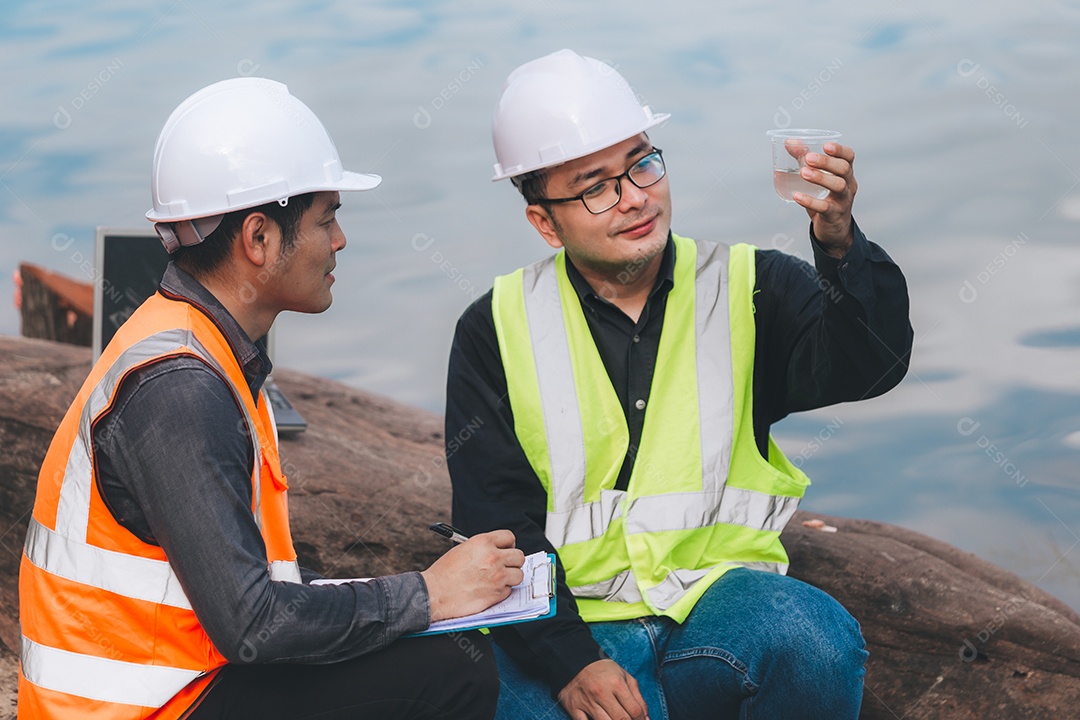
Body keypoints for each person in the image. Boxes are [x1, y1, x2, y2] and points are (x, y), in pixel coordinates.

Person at [18, 77, 525, 720]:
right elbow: (253, 626)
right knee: (453, 674)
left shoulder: (189, 342)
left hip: (172, 688)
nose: (339, 240)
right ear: (258, 238)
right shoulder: (180, 388)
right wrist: (427, 594)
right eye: (327, 218)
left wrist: (412, 599)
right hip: (143, 709)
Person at [445, 49, 914, 719]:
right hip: (570, 624)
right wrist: (572, 663)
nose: (635, 196)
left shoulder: (752, 288)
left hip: (717, 605)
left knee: (814, 641)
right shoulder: (493, 328)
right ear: (544, 221)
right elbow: (496, 521)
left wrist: (838, 242)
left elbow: (873, 364)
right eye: (596, 185)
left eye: (641, 162)